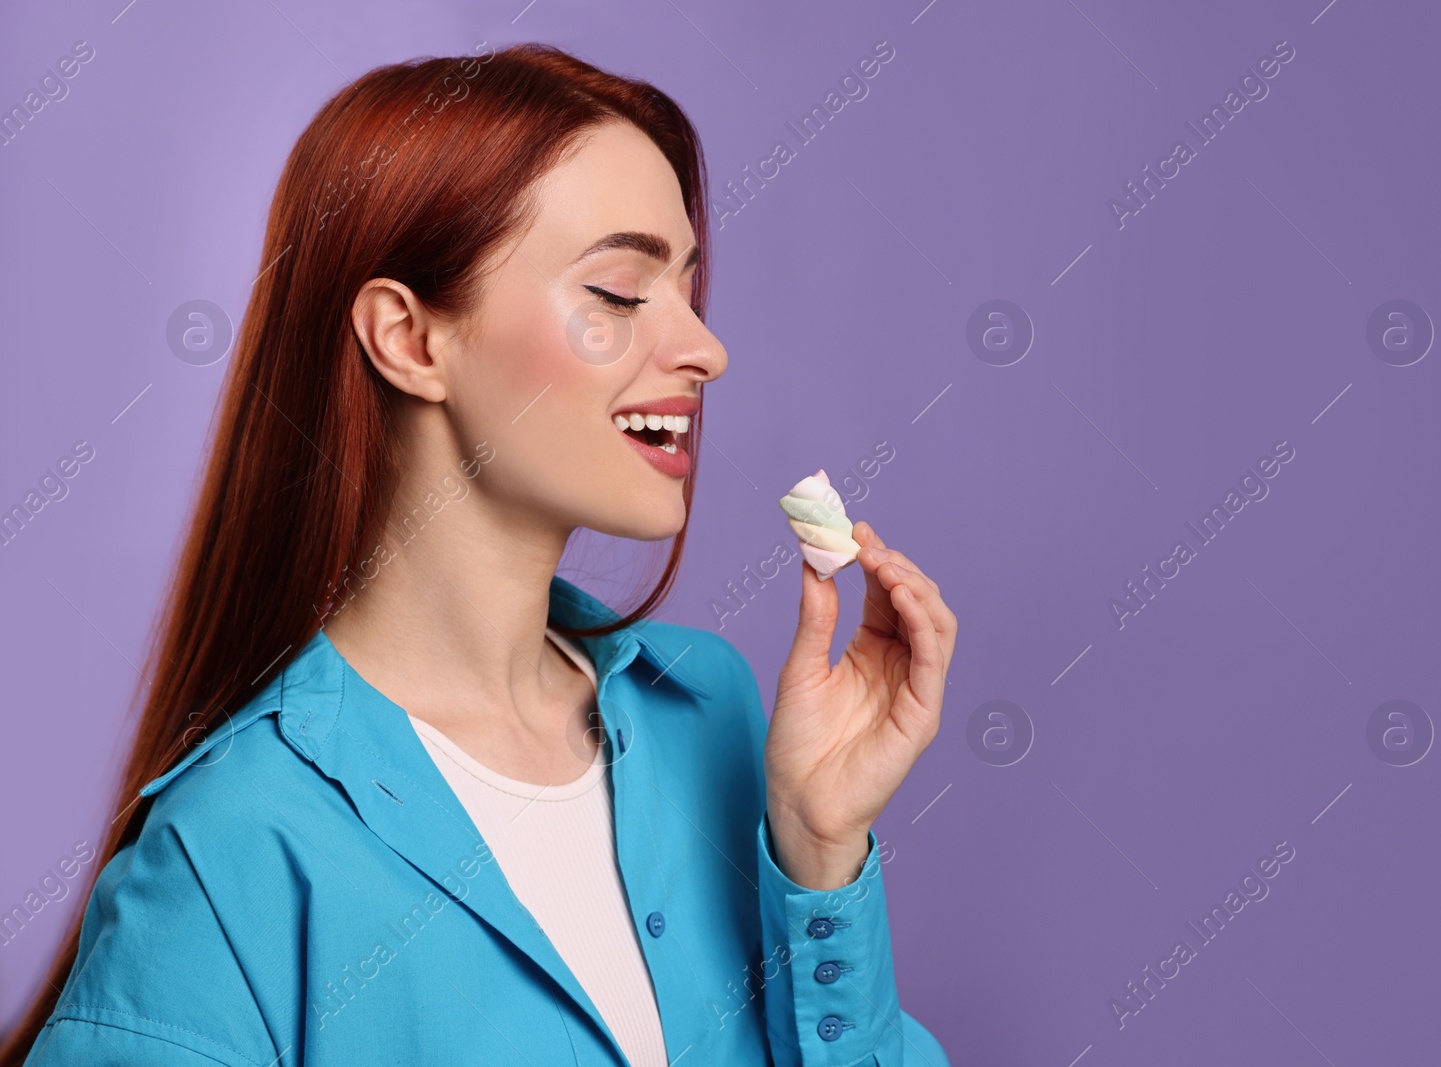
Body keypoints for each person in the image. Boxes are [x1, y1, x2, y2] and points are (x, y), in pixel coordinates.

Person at [3, 41, 957, 1066]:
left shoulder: (714, 713)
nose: (704, 349)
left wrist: (818, 853)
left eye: (689, 287)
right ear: (411, 341)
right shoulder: (227, 853)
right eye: (621, 292)